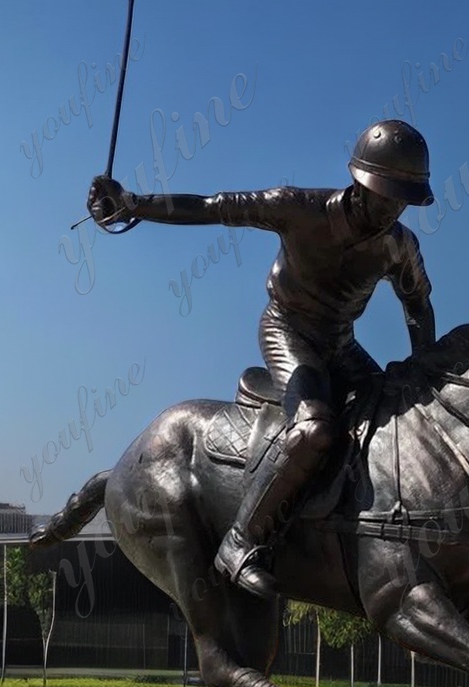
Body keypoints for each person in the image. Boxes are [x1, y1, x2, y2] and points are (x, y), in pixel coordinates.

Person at [88, 119, 437, 599]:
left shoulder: (400, 245)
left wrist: (423, 370)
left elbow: (418, 305)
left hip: (341, 343)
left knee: (396, 424)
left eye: (402, 199)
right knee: (314, 428)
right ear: (360, 182)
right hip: (289, 331)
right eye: (386, 195)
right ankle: (241, 540)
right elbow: (212, 208)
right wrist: (133, 205)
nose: (392, 208)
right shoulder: (298, 208)